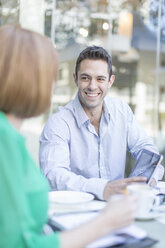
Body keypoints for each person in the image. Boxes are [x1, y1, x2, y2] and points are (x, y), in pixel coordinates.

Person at [0, 24, 137, 248]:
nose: (53, 85)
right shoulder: (4, 138)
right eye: (49, 75)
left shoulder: (10, 135)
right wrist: (106, 222)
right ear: (25, 79)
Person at [40, 46, 163, 201]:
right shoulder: (58, 124)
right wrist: (102, 188)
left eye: (100, 79)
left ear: (110, 81)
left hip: (118, 205)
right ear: (75, 79)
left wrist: (147, 176)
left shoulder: (121, 111)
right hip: (77, 211)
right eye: (85, 78)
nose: (92, 86)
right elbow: (53, 175)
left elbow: (146, 148)